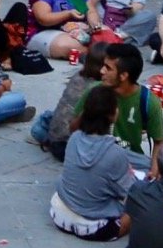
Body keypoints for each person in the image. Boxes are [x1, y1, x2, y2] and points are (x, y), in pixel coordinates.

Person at [49, 87, 139, 240]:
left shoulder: (74, 138)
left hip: (59, 215)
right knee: (139, 207)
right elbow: (131, 193)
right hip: (95, 227)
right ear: (112, 115)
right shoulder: (116, 154)